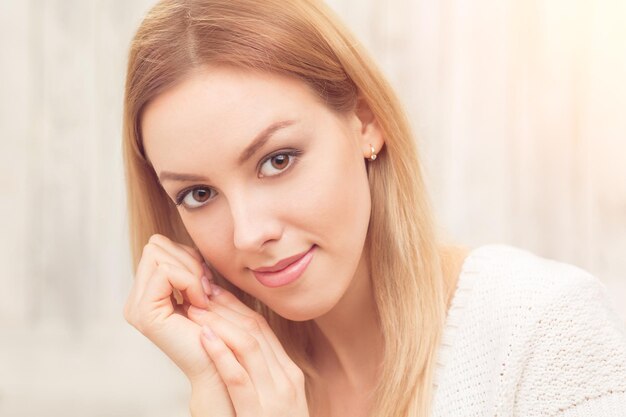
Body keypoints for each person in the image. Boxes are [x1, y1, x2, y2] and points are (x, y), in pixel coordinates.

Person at [121, 0, 626, 416]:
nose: (248, 233)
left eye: (278, 160)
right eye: (199, 195)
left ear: (365, 122)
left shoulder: (544, 329)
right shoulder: (234, 389)